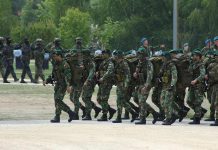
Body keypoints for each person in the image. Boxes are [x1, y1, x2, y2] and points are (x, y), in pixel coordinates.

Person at [109, 50, 138, 123]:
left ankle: (120, 117)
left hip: (122, 85)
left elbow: (128, 75)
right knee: (121, 101)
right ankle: (133, 113)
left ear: (119, 56)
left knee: (120, 100)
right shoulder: (118, 63)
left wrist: (126, 85)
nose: (115, 57)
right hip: (119, 84)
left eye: (116, 56)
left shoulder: (124, 63)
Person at [48, 50, 75, 123]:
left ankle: (70, 112)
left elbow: (68, 76)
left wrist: (68, 86)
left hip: (63, 85)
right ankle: (57, 116)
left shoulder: (65, 64)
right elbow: (53, 74)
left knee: (58, 100)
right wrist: (48, 80)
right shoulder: (56, 64)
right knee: (57, 100)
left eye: (55, 56)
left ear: (59, 56)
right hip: (58, 84)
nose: (54, 57)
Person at [134, 47, 159, 125]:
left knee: (142, 101)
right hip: (140, 84)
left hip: (147, 84)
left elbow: (150, 75)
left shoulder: (148, 63)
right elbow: (138, 71)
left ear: (144, 55)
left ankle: (143, 118)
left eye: (140, 54)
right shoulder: (140, 63)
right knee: (137, 99)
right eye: (138, 54)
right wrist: (135, 74)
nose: (139, 56)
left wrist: (146, 86)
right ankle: (155, 114)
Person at [159, 51, 179, 125]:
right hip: (164, 86)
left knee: (167, 103)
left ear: (166, 58)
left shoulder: (172, 65)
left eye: (163, 57)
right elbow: (161, 74)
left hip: (170, 87)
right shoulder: (164, 65)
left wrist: (172, 85)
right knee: (162, 103)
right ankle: (174, 114)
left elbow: (174, 76)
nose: (162, 58)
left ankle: (168, 118)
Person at [187, 50, 206, 124]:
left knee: (197, 102)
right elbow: (189, 71)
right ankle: (200, 112)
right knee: (189, 101)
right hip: (192, 85)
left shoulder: (201, 64)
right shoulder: (192, 64)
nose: (193, 56)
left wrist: (196, 80)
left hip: (198, 85)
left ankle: (197, 118)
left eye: (194, 55)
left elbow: (202, 74)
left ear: (198, 56)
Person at [96, 50, 116, 121]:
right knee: (99, 99)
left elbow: (110, 71)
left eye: (104, 54)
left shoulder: (110, 62)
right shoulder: (104, 61)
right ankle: (110, 110)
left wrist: (103, 77)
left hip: (107, 83)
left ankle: (104, 115)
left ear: (108, 54)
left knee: (104, 99)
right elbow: (102, 70)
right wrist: (98, 73)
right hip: (102, 83)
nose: (102, 55)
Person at [208, 51, 218, 126]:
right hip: (213, 85)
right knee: (213, 102)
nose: (216, 57)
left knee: (217, 103)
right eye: (215, 56)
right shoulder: (213, 64)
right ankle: (213, 117)